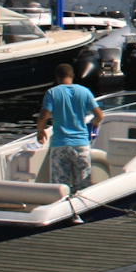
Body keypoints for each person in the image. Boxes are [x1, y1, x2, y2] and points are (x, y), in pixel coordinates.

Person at [36, 64, 103, 208]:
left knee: (60, 187)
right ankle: (83, 211)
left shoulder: (52, 93)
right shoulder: (84, 91)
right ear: (72, 76)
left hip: (60, 144)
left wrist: (40, 131)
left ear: (57, 77)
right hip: (81, 144)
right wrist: (94, 125)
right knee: (84, 186)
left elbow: (43, 117)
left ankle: (62, 213)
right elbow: (99, 115)